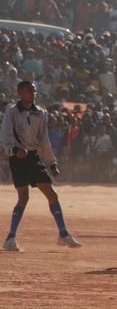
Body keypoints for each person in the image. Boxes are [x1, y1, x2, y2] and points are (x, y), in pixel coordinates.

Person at [0, 81, 81, 252]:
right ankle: (10, 238)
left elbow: (44, 140)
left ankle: (63, 234)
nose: (33, 93)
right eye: (29, 90)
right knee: (23, 197)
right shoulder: (12, 112)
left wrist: (51, 163)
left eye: (34, 90)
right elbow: (5, 135)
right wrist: (14, 150)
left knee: (52, 194)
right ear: (20, 92)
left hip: (34, 158)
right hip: (18, 159)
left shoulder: (41, 113)